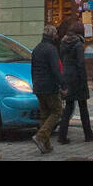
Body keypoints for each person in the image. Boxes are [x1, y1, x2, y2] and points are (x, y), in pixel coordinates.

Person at [56, 20, 93, 143]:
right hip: (77, 79)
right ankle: (88, 134)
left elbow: (62, 59)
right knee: (83, 108)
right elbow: (80, 64)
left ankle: (62, 136)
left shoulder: (63, 43)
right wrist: (84, 80)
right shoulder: (78, 44)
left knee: (68, 107)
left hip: (67, 78)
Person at [30, 24, 65, 153]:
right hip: (50, 86)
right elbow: (56, 70)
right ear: (53, 35)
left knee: (44, 115)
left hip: (38, 86)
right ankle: (40, 137)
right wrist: (63, 85)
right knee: (57, 112)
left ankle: (47, 145)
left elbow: (33, 69)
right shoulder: (51, 49)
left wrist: (35, 84)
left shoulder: (36, 49)